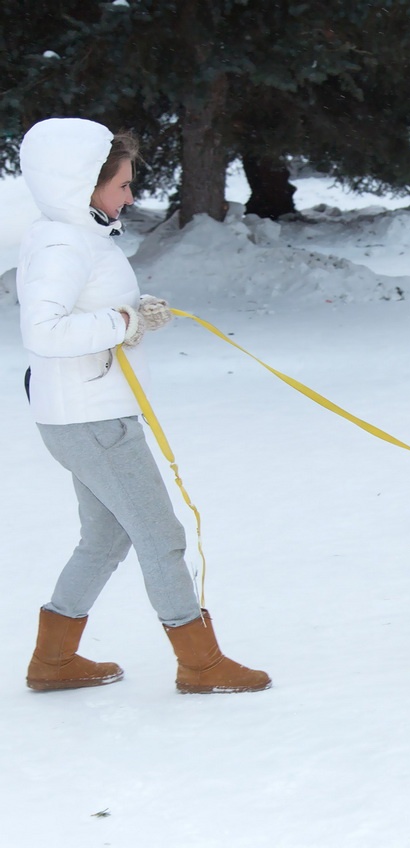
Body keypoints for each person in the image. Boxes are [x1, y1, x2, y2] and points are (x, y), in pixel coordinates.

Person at [17, 117, 270, 694]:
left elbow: (82, 313)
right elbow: (45, 330)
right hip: (94, 420)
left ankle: (53, 660)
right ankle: (201, 663)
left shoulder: (66, 236)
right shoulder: (64, 243)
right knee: (161, 535)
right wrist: (126, 321)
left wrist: (129, 314)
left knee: (105, 537)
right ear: (84, 183)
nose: (131, 196)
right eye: (123, 185)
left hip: (81, 415)